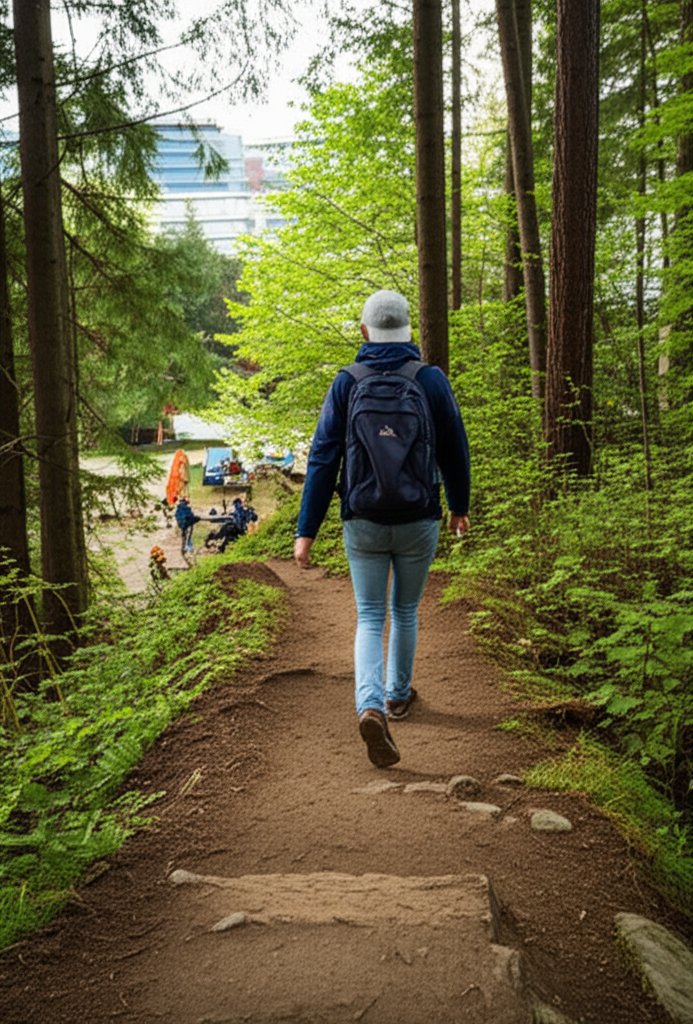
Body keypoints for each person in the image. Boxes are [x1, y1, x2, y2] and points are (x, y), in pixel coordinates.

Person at [294, 289, 470, 769]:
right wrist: (459, 506)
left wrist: (305, 530)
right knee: (406, 610)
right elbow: (455, 446)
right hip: (418, 519)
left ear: (364, 332)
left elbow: (323, 456)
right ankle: (396, 696)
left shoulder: (347, 382)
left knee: (370, 616)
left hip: (364, 519)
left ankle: (369, 704)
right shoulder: (430, 379)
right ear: (409, 330)